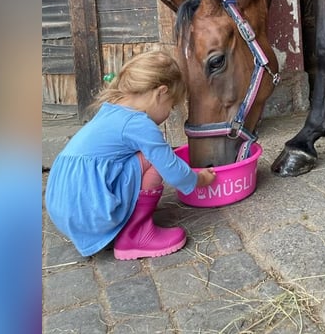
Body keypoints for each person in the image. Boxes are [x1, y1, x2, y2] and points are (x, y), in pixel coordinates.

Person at [45, 50, 216, 260]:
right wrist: (200, 178)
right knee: (155, 159)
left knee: (140, 156)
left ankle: (114, 229)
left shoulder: (111, 110)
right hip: (89, 208)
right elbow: (172, 170)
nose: (168, 113)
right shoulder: (139, 123)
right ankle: (137, 235)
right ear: (161, 92)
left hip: (63, 206)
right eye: (171, 106)